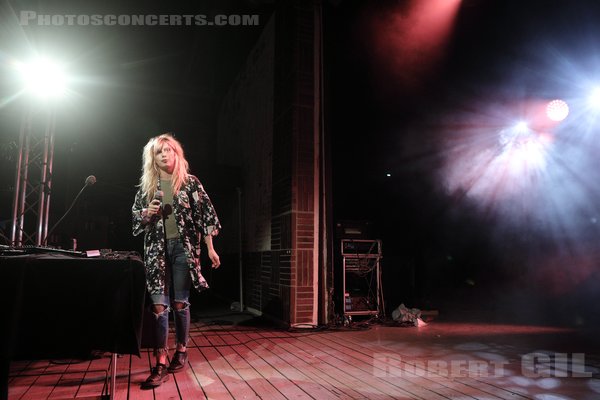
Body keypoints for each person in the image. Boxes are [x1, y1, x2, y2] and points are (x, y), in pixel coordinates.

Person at [132, 133, 221, 388]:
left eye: (168, 150)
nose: (164, 154)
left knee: (181, 303)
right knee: (159, 307)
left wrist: (210, 249)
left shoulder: (190, 183)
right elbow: (135, 220)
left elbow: (206, 216)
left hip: (184, 249)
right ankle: (160, 359)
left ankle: (181, 349)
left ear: (176, 153)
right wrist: (146, 213)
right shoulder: (147, 187)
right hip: (156, 250)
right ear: (153, 157)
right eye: (159, 151)